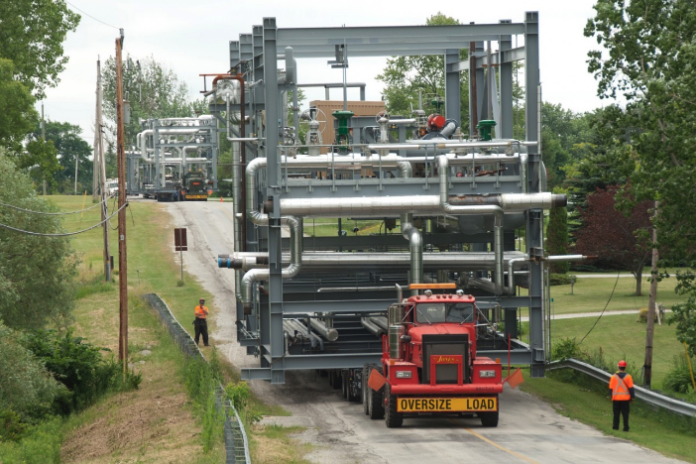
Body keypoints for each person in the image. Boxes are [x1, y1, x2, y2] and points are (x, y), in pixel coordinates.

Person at [609, 360, 635, 431]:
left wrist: (611, 396)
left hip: (616, 399)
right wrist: (632, 398)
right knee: (625, 414)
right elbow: (631, 388)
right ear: (625, 367)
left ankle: (615, 426)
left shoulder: (613, 377)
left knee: (616, 414)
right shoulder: (628, 377)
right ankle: (626, 427)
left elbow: (611, 389)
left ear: (618, 367)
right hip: (625, 399)